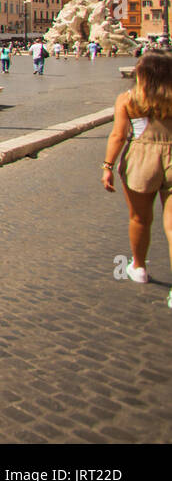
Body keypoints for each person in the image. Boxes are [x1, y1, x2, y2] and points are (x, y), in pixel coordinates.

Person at [102, 53, 172, 307]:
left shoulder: (129, 99)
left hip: (142, 159)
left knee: (140, 218)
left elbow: (118, 136)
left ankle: (139, 267)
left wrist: (107, 165)